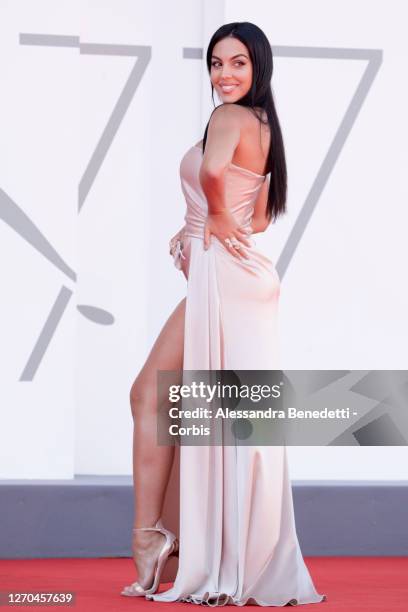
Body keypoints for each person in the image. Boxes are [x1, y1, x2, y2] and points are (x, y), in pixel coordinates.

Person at [121, 21, 326, 607]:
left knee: (189, 406)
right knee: (184, 404)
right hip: (234, 278)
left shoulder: (228, 119)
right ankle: (172, 542)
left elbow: (215, 179)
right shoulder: (263, 125)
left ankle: (164, 542)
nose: (224, 75)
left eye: (238, 63)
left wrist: (208, 219)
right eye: (216, 63)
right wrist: (195, 230)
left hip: (228, 282)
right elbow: (257, 219)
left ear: (259, 67)